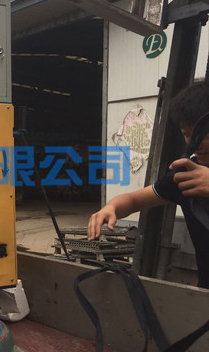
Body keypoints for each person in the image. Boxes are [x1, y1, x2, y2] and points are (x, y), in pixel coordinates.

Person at [88, 83, 209, 289]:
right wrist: (111, 207)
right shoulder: (185, 176)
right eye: (187, 134)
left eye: (202, 133)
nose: (194, 143)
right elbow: (134, 200)